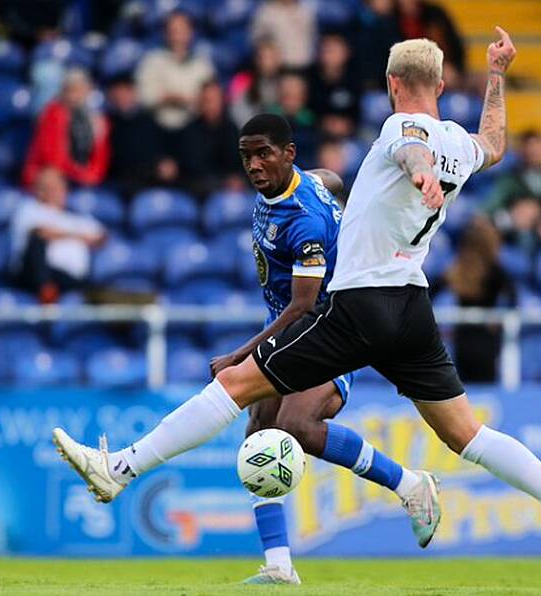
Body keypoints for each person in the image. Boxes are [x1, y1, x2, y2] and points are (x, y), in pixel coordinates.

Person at [53, 32, 541, 577]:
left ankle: (119, 469)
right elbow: (493, 144)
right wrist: (496, 76)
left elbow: (409, 146)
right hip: (412, 306)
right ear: (442, 84)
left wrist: (419, 170)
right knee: (468, 435)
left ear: (393, 83)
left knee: (236, 387)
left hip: (360, 304)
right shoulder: (457, 144)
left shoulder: (406, 126)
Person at [205, 114, 438, 584]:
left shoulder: (305, 219)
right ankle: (278, 566)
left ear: (287, 154)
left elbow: (303, 305)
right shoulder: (296, 185)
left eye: (262, 154)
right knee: (260, 429)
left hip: (330, 328)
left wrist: (239, 356)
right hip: (285, 326)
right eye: (246, 156)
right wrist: (341, 198)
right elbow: (328, 179)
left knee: (297, 424)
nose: (252, 165)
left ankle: (410, 485)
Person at [10, 168, 106, 302]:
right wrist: (79, 237)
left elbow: (101, 237)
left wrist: (63, 235)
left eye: (56, 187)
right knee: (37, 241)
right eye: (44, 187)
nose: (50, 191)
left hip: (70, 277)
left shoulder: (74, 217)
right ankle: (45, 290)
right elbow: (40, 233)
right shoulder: (29, 209)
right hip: (34, 275)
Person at [441, 217, 515, 382]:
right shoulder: (494, 271)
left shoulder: (458, 269)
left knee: (465, 386)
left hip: (464, 334)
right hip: (485, 335)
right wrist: (499, 320)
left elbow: (430, 290)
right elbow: (513, 297)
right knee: (484, 384)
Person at [21, 68, 110, 189]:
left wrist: (90, 176)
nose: (74, 96)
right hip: (49, 176)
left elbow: (100, 159)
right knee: (51, 178)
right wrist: (80, 174)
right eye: (70, 90)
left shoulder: (96, 119)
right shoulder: (53, 112)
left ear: (88, 91)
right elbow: (53, 159)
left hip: (79, 178)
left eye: (79, 90)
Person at [135, 11, 215, 132]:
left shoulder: (202, 64)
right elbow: (144, 97)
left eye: (181, 29)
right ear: (165, 33)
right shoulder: (152, 61)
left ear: (190, 32)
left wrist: (186, 100)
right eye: (172, 30)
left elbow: (209, 100)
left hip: (193, 128)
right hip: (157, 127)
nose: (177, 34)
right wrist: (168, 98)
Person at [105, 75, 176, 197]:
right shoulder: (107, 123)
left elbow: (163, 155)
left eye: (126, 92)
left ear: (134, 93)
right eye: (118, 93)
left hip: (150, 181)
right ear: (111, 96)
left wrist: (166, 163)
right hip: (119, 183)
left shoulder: (150, 122)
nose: (122, 98)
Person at [174, 81, 246, 198]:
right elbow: (193, 168)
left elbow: (239, 162)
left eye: (216, 100)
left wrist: (237, 178)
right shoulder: (189, 131)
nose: (212, 105)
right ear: (200, 103)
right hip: (200, 189)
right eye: (207, 100)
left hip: (230, 188)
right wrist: (223, 181)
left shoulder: (231, 129)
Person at [309, 32, 361, 139]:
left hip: (351, 132)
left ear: (346, 53)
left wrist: (348, 125)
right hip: (317, 133)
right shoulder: (311, 78)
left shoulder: (355, 78)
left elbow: (359, 110)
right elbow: (306, 112)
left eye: (334, 51)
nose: (330, 55)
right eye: (327, 50)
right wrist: (323, 123)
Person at [396, 0, 466, 74]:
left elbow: (455, 47)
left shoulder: (435, 15)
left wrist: (454, 68)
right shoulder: (390, 20)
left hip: (441, 72)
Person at [228, 39, 284, 129]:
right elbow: (236, 112)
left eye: (271, 57)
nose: (266, 62)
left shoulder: (286, 83)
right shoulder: (242, 80)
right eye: (263, 57)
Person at [251, 0, 316, 70]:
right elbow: (258, 42)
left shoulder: (305, 11)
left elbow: (313, 38)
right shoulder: (266, 13)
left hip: (305, 67)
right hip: (280, 68)